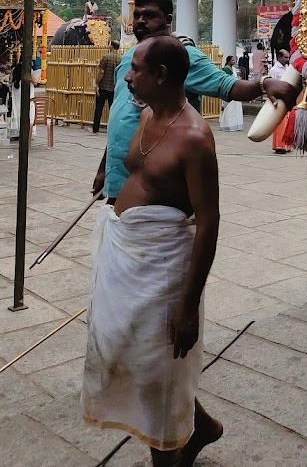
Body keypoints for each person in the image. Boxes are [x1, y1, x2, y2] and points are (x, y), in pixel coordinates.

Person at [82, 36, 223, 465]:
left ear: (160, 76)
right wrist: (107, 167)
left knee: (159, 373)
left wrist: (187, 305)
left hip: (164, 269)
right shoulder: (146, 114)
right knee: (125, 352)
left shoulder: (195, 138)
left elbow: (209, 221)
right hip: (126, 257)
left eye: (136, 68)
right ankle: (202, 428)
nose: (126, 75)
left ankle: (172, 449)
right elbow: (133, 160)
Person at [92, 0, 297, 201]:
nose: (141, 21)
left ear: (168, 20)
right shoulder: (128, 59)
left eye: (150, 15)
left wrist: (264, 83)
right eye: (137, 16)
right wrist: (104, 169)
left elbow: (227, 86)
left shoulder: (179, 55)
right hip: (118, 180)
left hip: (156, 186)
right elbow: (121, 118)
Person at [91, 40, 121, 135]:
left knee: (99, 108)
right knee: (113, 109)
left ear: (111, 47)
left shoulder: (105, 57)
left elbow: (101, 72)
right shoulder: (121, 59)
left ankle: (95, 129)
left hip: (104, 86)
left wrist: (97, 84)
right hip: (114, 87)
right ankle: (113, 129)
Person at [269, 49, 291, 153]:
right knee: (280, 124)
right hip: (278, 99)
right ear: (279, 57)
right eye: (285, 57)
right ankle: (279, 145)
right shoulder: (274, 70)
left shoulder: (287, 68)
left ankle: (287, 145)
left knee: (288, 123)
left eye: (288, 57)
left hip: (287, 98)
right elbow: (271, 86)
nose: (287, 59)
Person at [218, 56, 243, 132]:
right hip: (230, 89)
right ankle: (228, 124)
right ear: (228, 61)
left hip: (236, 89)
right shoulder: (227, 69)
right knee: (229, 108)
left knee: (235, 108)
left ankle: (236, 124)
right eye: (232, 60)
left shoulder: (233, 69)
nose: (234, 61)